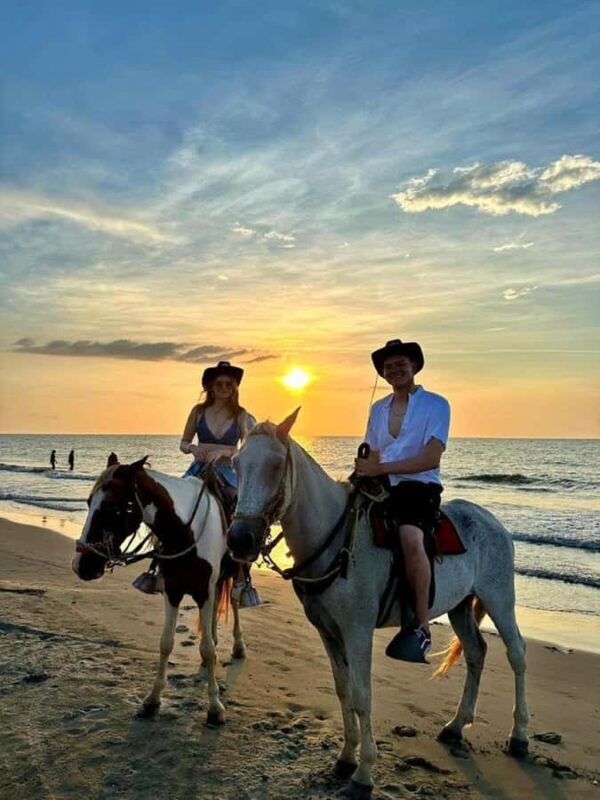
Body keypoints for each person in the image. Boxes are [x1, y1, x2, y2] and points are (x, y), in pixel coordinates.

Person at [355, 339, 450, 663]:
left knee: (410, 537)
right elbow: (372, 449)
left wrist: (382, 467)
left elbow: (430, 458)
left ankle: (421, 625)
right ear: (383, 372)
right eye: (388, 366)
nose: (394, 369)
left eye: (401, 364)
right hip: (381, 485)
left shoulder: (436, 405)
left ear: (414, 366)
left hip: (418, 486)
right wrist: (365, 468)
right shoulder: (378, 409)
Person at [180, 360, 259, 606]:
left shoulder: (242, 415)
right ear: (211, 387)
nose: (224, 387)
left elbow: (248, 448)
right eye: (219, 384)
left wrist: (224, 453)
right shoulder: (198, 412)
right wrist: (193, 447)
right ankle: (159, 566)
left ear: (234, 387)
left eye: (229, 384)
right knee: (175, 505)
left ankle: (241, 576)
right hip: (200, 467)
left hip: (228, 470)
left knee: (239, 509)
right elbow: (183, 442)